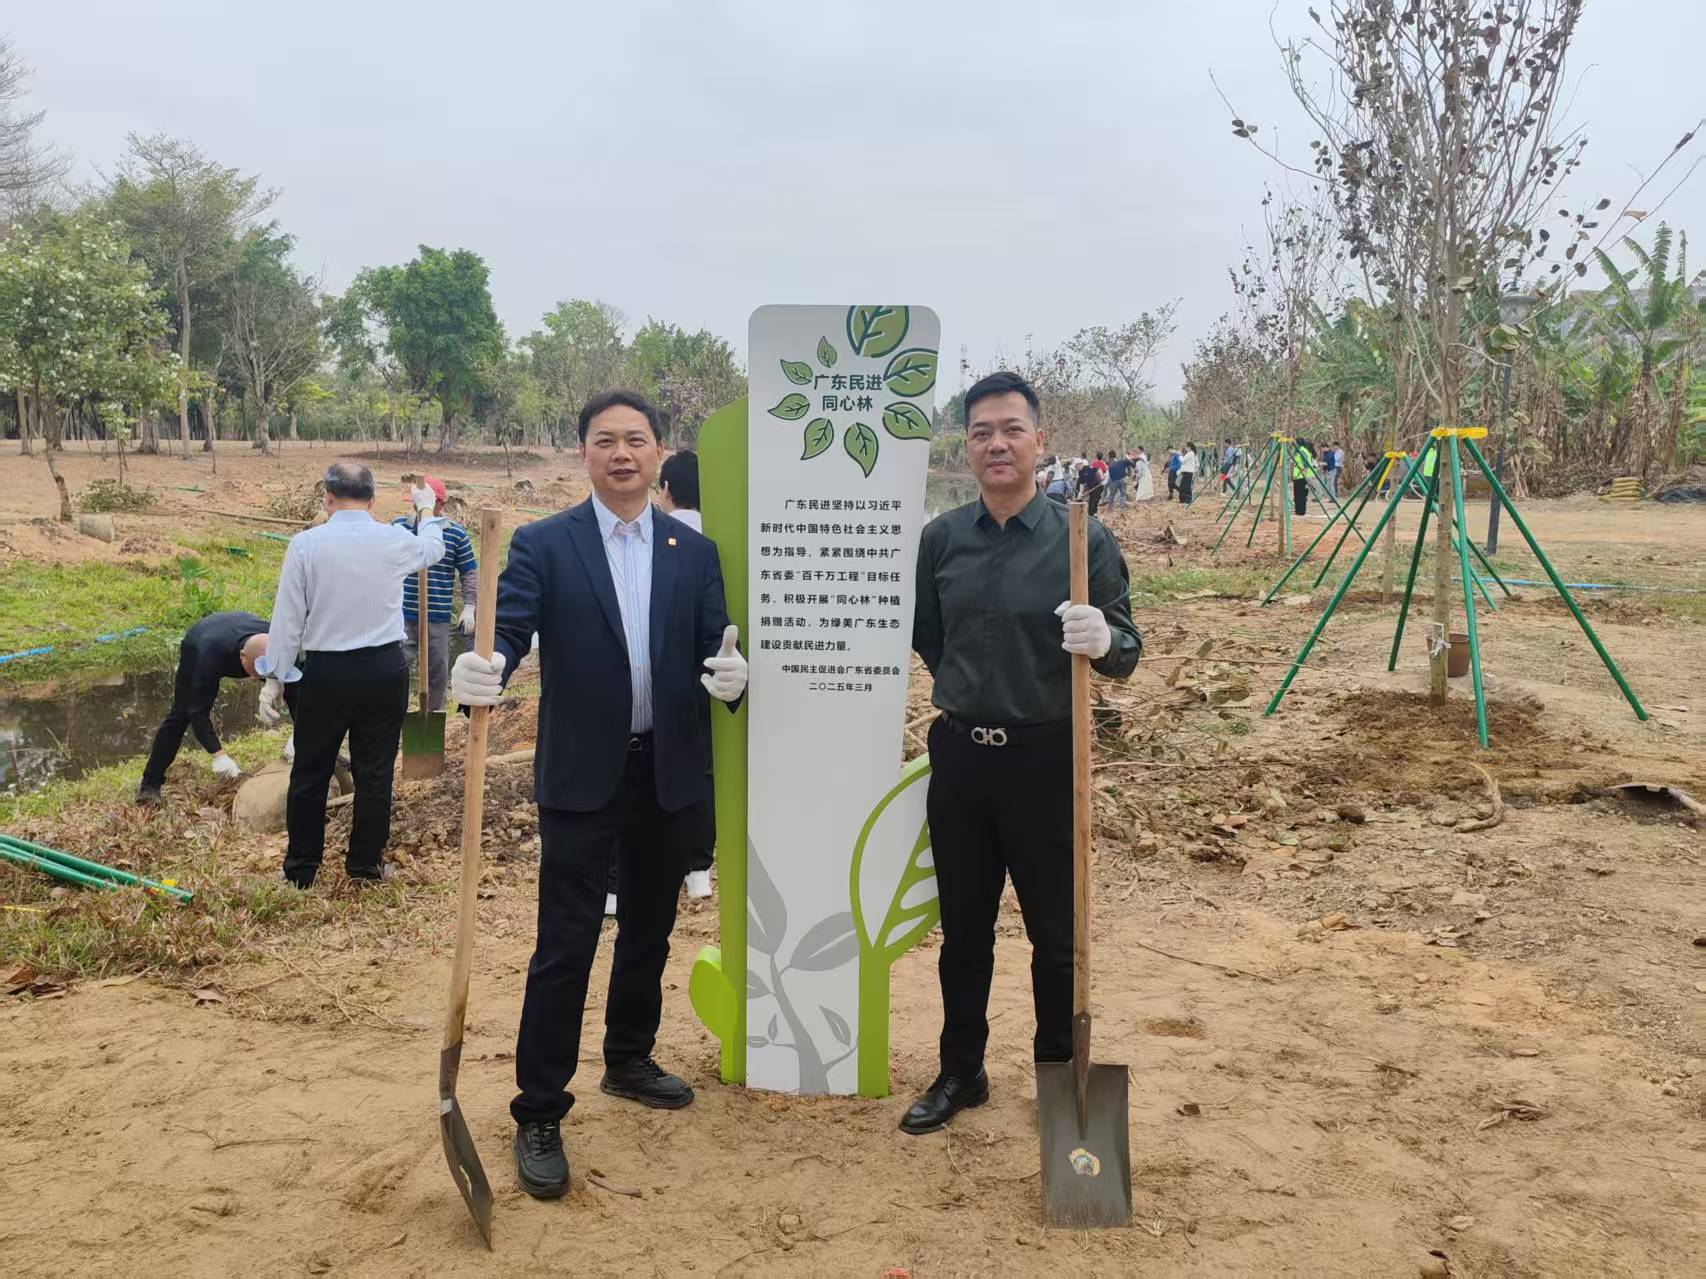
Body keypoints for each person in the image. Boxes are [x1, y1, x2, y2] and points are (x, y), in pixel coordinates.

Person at [449, 390, 746, 1202]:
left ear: (659, 453)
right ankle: (540, 1107)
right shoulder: (546, 544)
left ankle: (628, 1055)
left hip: (667, 769)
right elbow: (508, 631)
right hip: (583, 774)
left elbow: (714, 643)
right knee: (566, 941)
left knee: (649, 926)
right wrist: (483, 666)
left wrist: (732, 675)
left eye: (637, 440)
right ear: (583, 452)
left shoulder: (694, 550)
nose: (622, 453)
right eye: (606, 440)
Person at [901, 371, 1140, 1136]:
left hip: (1047, 760)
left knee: (1056, 937)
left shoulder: (1081, 538)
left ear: (1041, 439)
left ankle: (1059, 1077)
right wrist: (974, 689)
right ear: (966, 446)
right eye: (981, 431)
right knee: (964, 931)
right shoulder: (942, 539)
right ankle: (960, 1070)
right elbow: (929, 635)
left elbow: (1127, 648)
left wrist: (1103, 639)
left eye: (1011, 429)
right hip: (962, 759)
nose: (996, 443)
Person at [257, 464, 445, 889]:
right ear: (372, 499)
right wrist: (425, 509)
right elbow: (433, 549)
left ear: (327, 497)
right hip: (384, 670)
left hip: (327, 673)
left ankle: (300, 871)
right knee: (375, 772)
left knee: (310, 770)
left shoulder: (306, 545)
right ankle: (365, 865)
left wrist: (275, 677)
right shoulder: (393, 539)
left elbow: (288, 618)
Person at [137, 611, 291, 804]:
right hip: (202, 643)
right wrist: (218, 755)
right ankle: (150, 784)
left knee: (292, 686)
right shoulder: (205, 656)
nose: (254, 679)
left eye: (262, 673)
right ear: (242, 657)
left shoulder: (278, 640)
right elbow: (197, 712)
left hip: (241, 638)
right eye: (255, 673)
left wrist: (274, 682)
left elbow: (301, 683)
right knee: (181, 713)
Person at [657, 449, 713, 903]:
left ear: (666, 490)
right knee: (702, 766)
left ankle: (617, 882)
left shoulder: (655, 536)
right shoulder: (720, 538)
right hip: (711, 671)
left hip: (657, 674)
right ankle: (698, 869)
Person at [390, 475, 479, 713]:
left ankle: (434, 714)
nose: (417, 508)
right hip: (401, 615)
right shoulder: (399, 528)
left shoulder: (456, 534)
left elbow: (469, 572)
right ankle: (392, 713)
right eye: (415, 502)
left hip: (437, 617)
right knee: (395, 668)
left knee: (438, 671)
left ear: (440, 504)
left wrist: (469, 606)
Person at [1292, 439, 1314, 517]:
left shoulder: (1302, 450)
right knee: (1297, 494)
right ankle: (1298, 510)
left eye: (1295, 442)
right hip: (1297, 475)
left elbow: (1306, 463)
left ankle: (1300, 511)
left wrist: (1304, 472)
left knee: (1300, 494)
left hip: (1301, 476)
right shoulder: (1298, 451)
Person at [1177, 441, 1199, 506]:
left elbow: (1183, 461)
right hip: (1187, 472)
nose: (1185, 448)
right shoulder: (1190, 453)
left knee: (1186, 486)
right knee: (1183, 486)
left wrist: (1180, 456)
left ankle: (1187, 500)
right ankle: (1183, 500)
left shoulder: (1190, 453)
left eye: (1186, 447)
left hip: (1188, 472)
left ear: (1189, 447)